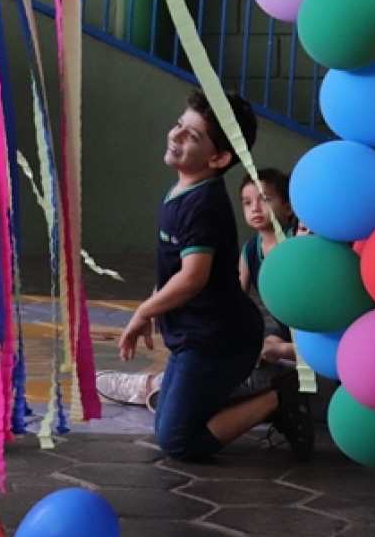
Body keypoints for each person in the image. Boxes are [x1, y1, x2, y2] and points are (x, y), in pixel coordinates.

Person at [117, 90, 313, 461]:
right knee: (168, 425)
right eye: (179, 125)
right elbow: (174, 269)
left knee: (177, 443)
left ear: (218, 158)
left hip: (219, 340)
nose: (175, 135)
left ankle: (279, 398)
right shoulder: (182, 189)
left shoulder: (204, 204)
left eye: (191, 136)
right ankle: (238, 397)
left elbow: (192, 277)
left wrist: (144, 311)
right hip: (195, 336)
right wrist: (157, 306)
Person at [239, 168, 297, 295]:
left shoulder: (297, 238)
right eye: (248, 203)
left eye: (265, 199)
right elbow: (239, 293)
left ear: (288, 208)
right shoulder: (249, 250)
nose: (255, 208)